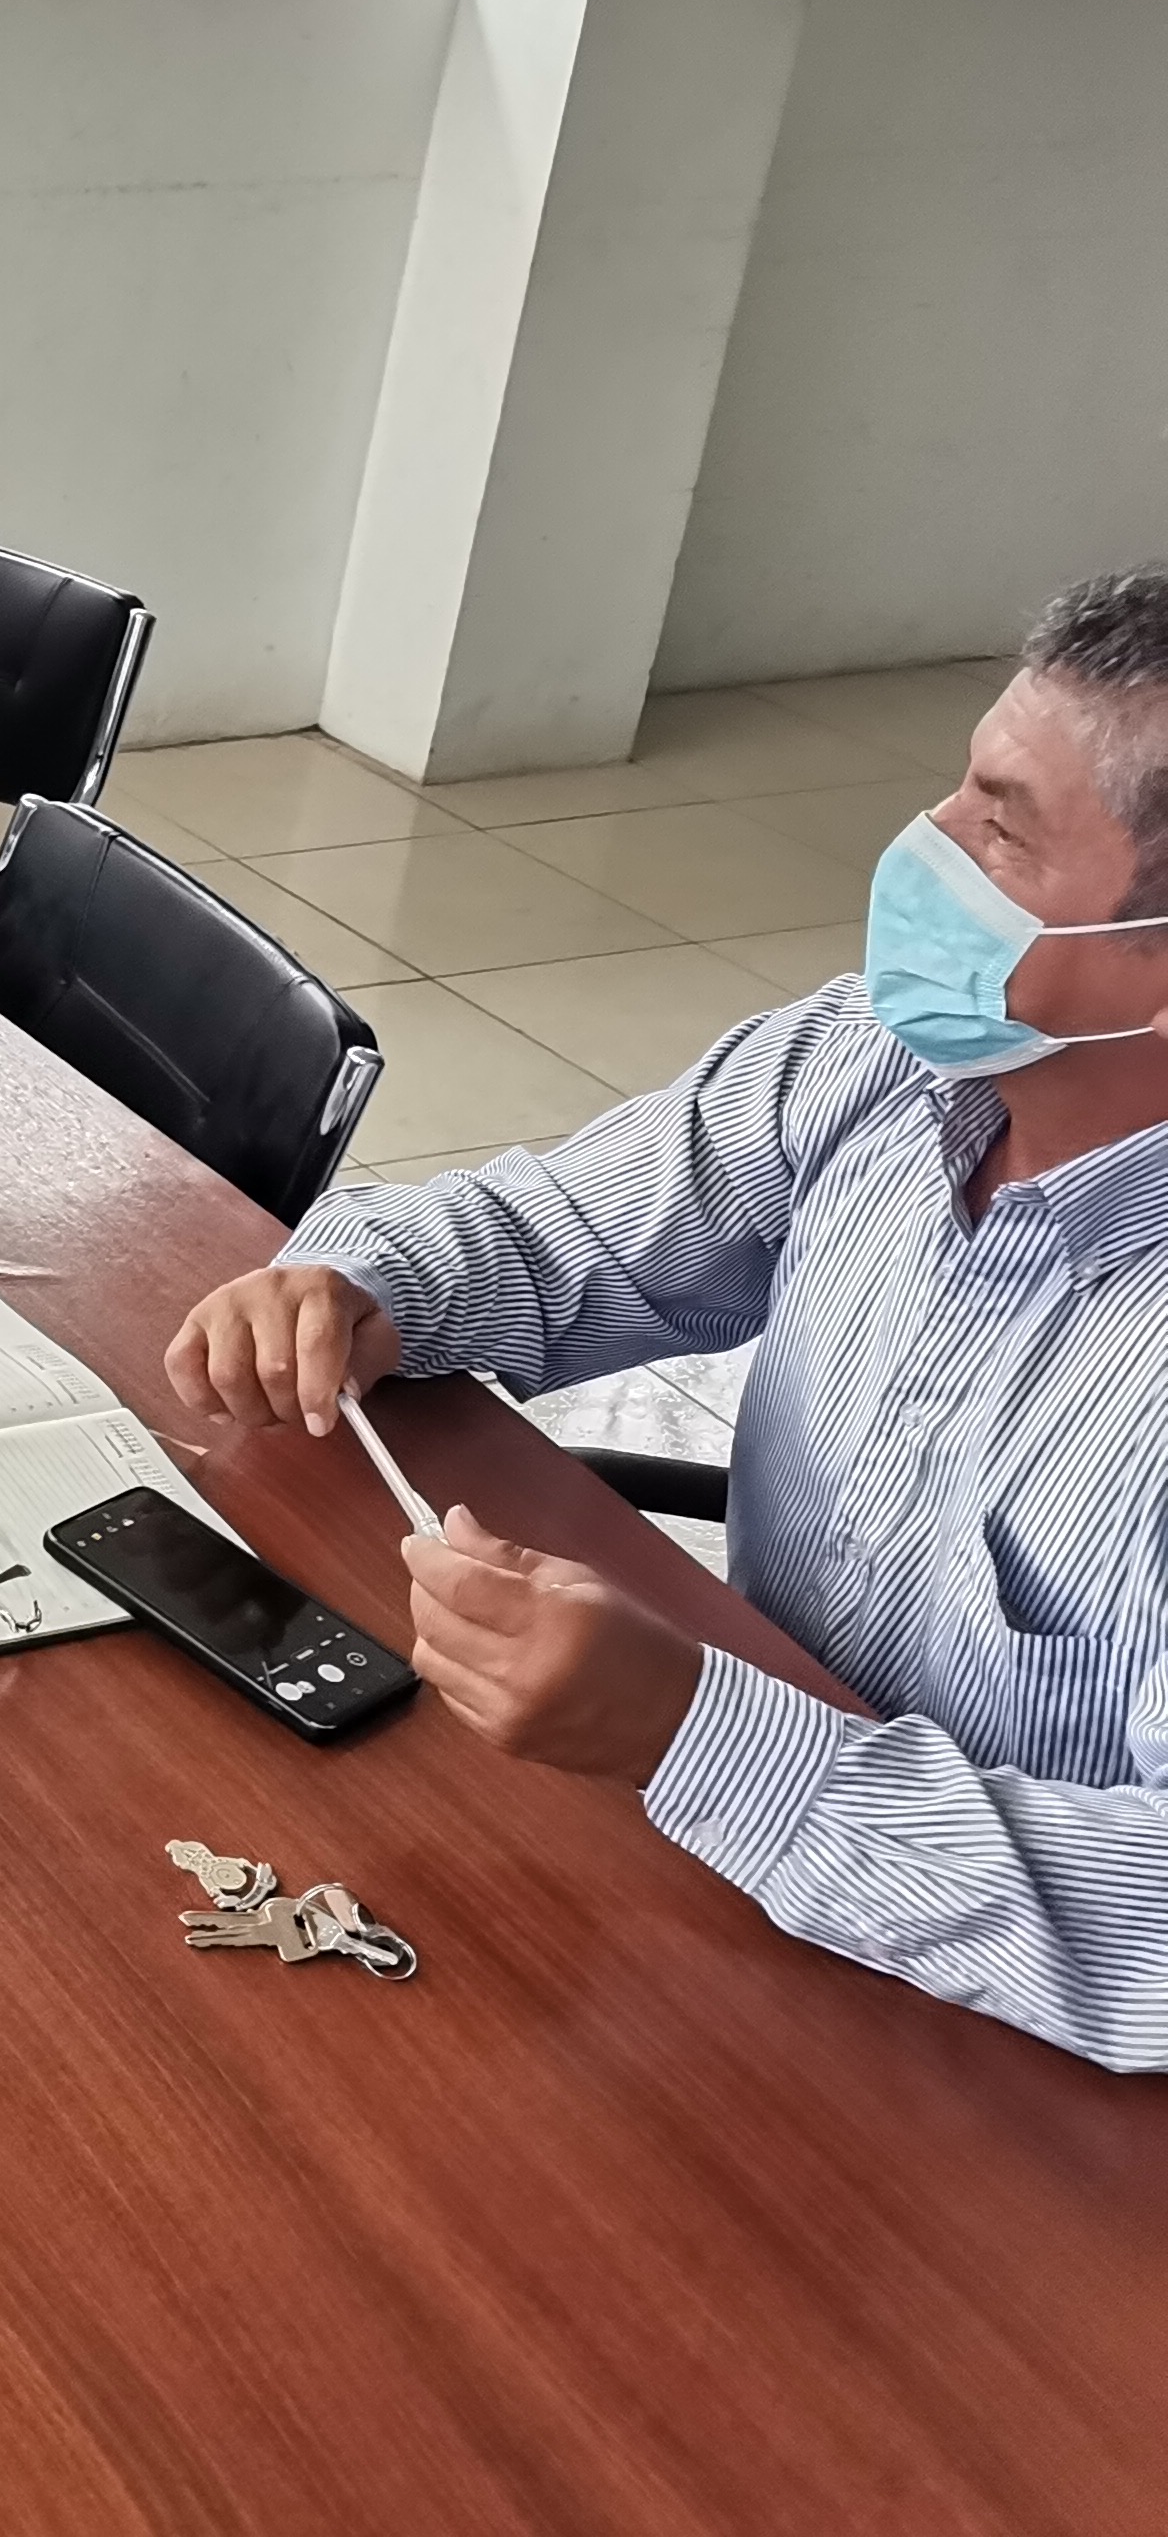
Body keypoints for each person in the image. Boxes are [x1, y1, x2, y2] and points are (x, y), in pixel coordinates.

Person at [168, 568, 1168, 2075]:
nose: (928, 845)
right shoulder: (878, 1061)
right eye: (960, 789)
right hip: (731, 1918)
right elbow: (563, 1226)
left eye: (1002, 832)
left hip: (1013, 2075)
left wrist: (696, 1733)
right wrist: (366, 1283)